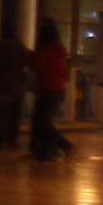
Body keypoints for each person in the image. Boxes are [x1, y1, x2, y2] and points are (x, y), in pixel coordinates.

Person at [28, 25, 74, 161]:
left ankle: (64, 145)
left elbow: (38, 66)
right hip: (59, 89)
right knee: (43, 120)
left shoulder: (45, 50)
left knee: (42, 121)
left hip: (47, 89)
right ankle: (46, 150)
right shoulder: (61, 50)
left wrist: (30, 57)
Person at [0, 19, 30, 151]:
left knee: (1, 113)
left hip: (1, 84)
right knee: (14, 113)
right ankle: (12, 139)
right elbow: (26, 61)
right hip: (17, 84)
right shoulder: (19, 46)